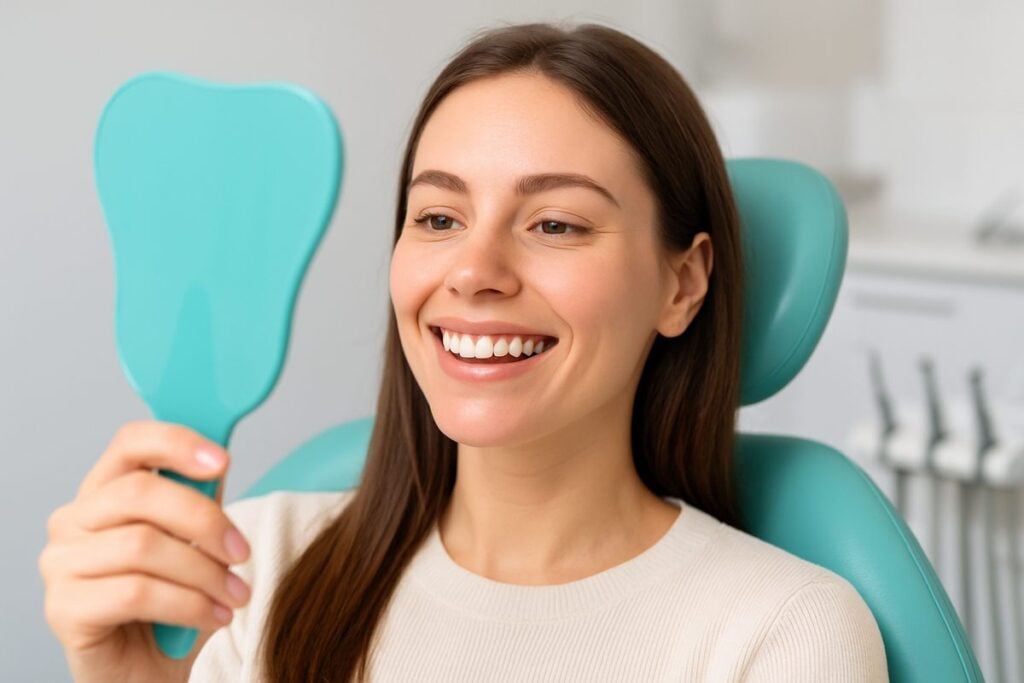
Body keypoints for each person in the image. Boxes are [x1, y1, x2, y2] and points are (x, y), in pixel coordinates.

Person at [40, 21, 889, 683]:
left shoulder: (783, 631)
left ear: (683, 284)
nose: (474, 272)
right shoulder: (247, 571)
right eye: (438, 219)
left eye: (555, 223)